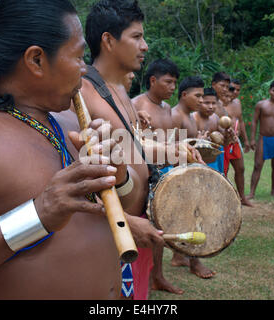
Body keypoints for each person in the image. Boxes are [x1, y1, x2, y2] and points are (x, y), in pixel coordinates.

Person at [0, 0, 146, 299]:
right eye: (79, 56)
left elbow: (131, 206)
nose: (84, 69)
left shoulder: (70, 120)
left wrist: (121, 177)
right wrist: (38, 215)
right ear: (36, 60)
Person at [81, 0, 166, 300]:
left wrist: (176, 151)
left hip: (135, 229)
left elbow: (133, 148)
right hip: (111, 237)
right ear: (108, 40)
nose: (144, 45)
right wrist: (125, 222)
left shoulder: (118, 90)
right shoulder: (83, 95)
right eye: (136, 37)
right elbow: (78, 182)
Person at [130, 59, 184, 294]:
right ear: (153, 80)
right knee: (143, 228)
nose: (173, 87)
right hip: (143, 176)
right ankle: (136, 280)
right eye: (168, 82)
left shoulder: (167, 108)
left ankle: (157, 275)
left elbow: (171, 142)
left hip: (165, 172)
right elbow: (131, 145)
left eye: (175, 83)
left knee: (160, 226)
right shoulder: (136, 105)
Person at [169, 76, 216, 279]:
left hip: (187, 172)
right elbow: (168, 149)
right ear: (184, 95)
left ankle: (179, 256)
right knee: (192, 216)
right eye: (197, 96)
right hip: (177, 174)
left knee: (190, 215)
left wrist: (202, 143)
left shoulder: (190, 116)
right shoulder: (175, 116)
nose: (201, 100)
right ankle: (195, 263)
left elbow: (187, 145)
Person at [248, 80, 274, 199]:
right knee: (257, 165)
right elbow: (254, 122)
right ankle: (252, 192)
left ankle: (273, 191)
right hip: (263, 138)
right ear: (269, 90)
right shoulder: (261, 105)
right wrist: (252, 139)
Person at [222, 81, 253, 207]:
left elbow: (240, 121)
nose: (235, 92)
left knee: (240, 168)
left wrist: (245, 140)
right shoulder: (219, 105)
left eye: (238, 90)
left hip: (236, 142)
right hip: (224, 142)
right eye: (232, 89)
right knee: (223, 171)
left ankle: (242, 198)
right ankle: (222, 198)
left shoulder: (238, 103)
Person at [194, 88, 224, 174]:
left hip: (213, 163)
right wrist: (199, 142)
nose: (211, 107)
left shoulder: (215, 118)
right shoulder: (193, 119)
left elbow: (223, 141)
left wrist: (228, 136)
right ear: (199, 101)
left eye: (213, 103)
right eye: (206, 103)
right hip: (196, 164)